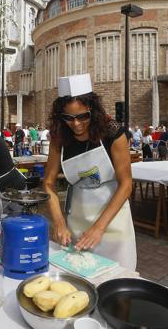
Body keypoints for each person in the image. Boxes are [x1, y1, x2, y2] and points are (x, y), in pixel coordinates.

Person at [43, 73, 137, 270]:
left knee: (115, 277)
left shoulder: (113, 134)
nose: (76, 124)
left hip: (114, 220)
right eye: (68, 118)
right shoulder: (59, 138)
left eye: (82, 117)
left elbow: (126, 184)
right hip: (77, 219)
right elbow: (48, 183)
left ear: (92, 110)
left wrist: (99, 227)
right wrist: (59, 222)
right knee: (77, 275)